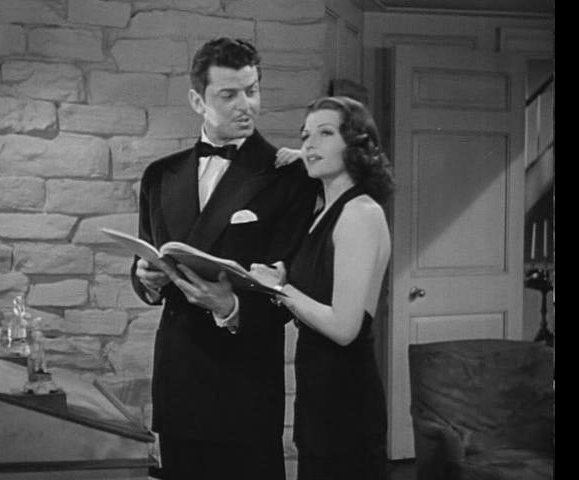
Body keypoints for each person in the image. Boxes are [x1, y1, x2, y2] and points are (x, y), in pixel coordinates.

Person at [130, 37, 319, 480]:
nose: (245, 105)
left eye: (252, 91)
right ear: (198, 101)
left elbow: (292, 286)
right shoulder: (159, 175)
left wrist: (230, 306)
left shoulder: (290, 176)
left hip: (245, 383)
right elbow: (148, 259)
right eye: (229, 95)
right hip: (179, 378)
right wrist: (145, 280)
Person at [250, 96, 395, 480]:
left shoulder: (360, 213)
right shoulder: (324, 212)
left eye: (325, 133)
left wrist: (280, 288)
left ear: (356, 144)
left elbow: (344, 328)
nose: (310, 143)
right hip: (320, 394)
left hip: (347, 399)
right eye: (305, 135)